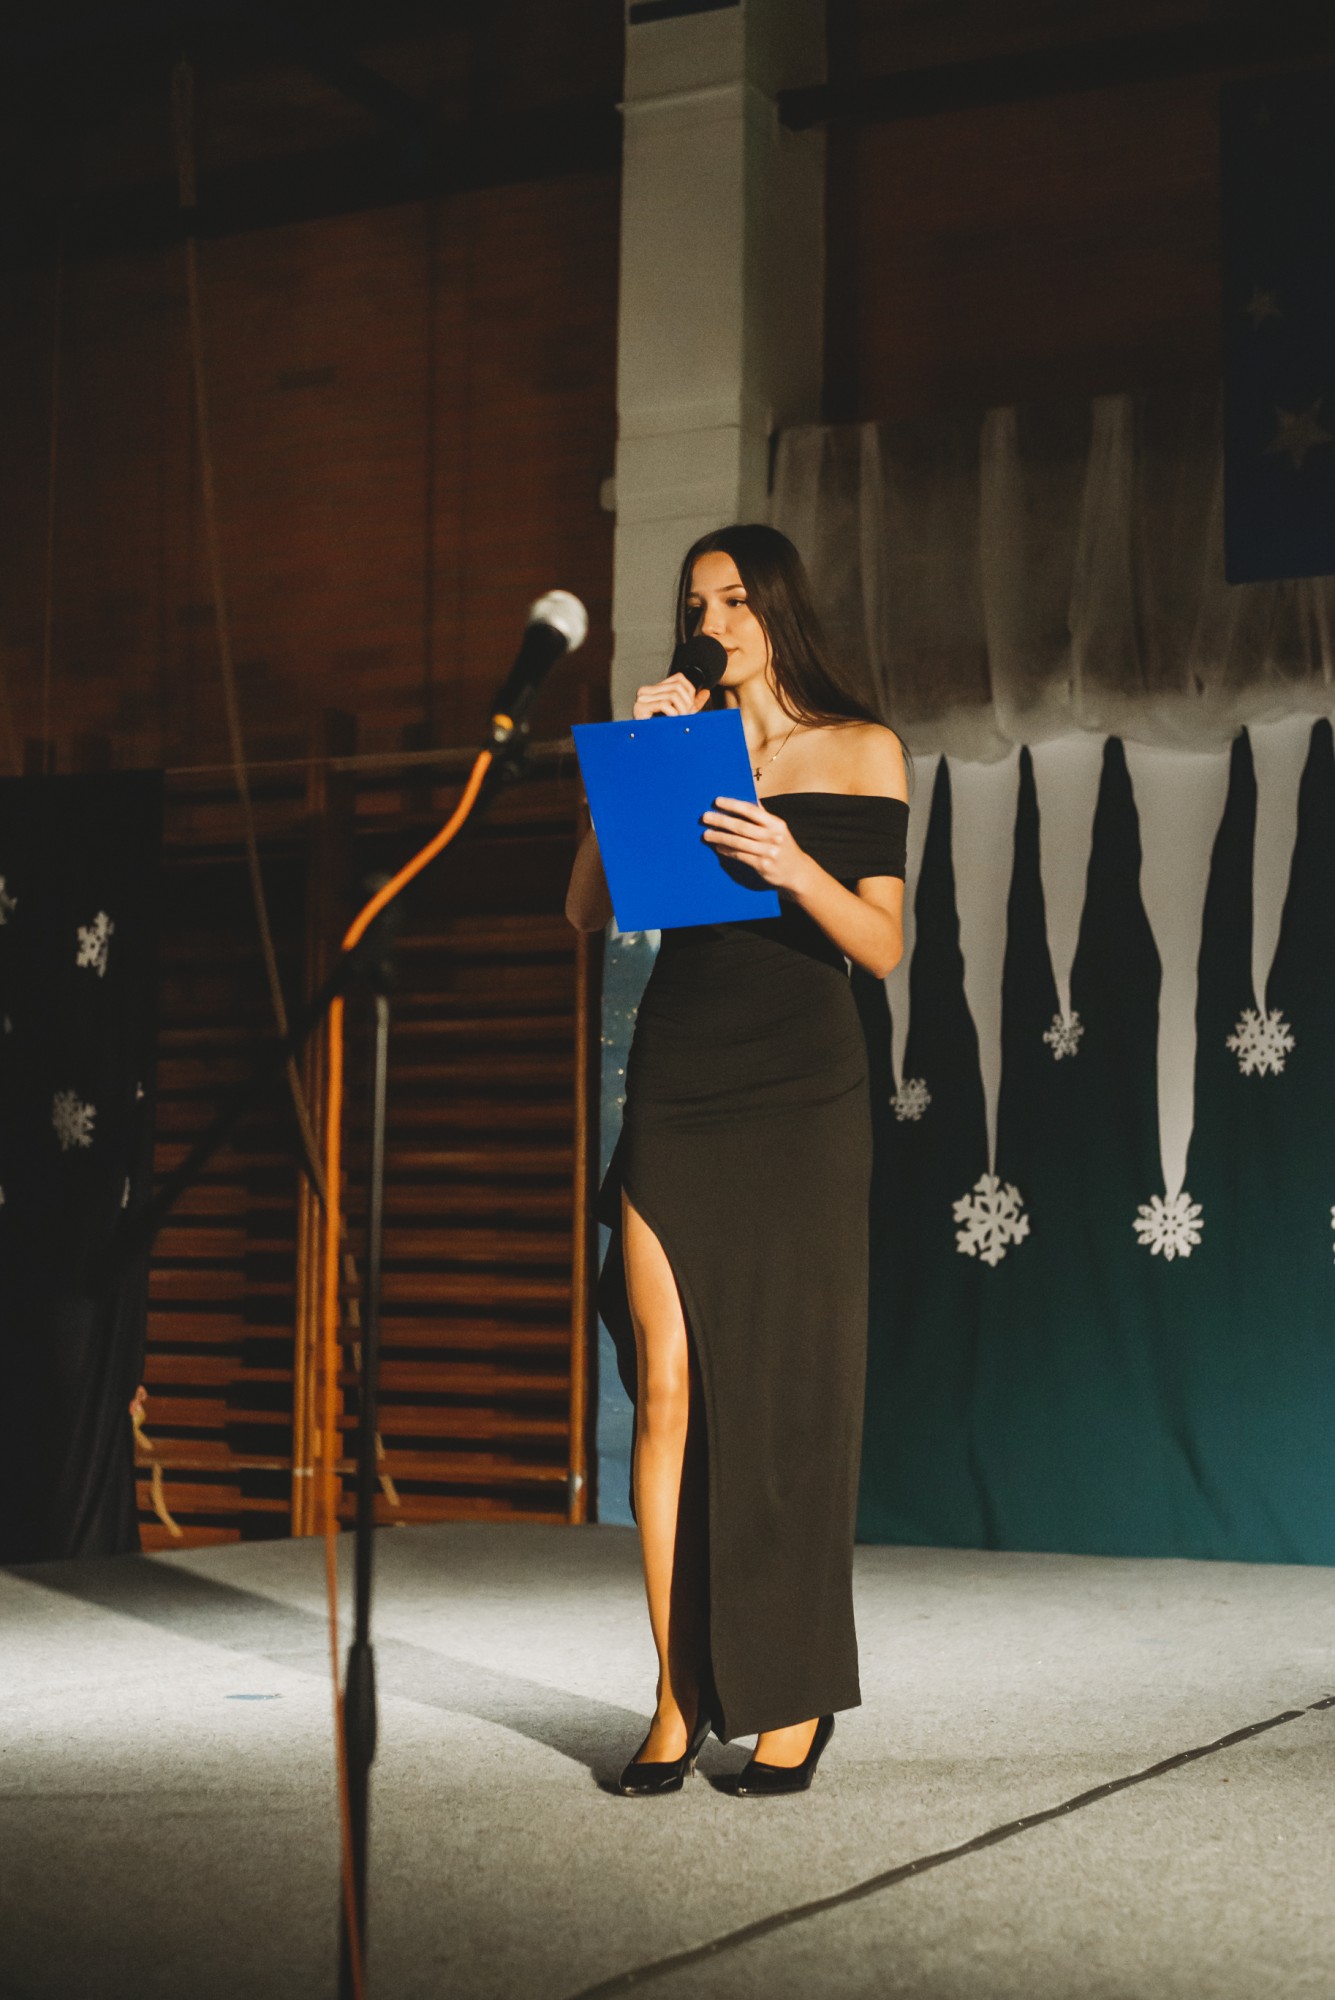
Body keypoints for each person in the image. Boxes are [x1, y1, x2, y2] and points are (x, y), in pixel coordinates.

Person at [565, 523, 908, 1797]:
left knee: (788, 1392)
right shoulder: (682, 738)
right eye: (697, 605)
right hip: (684, 1071)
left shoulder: (861, 746)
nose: (712, 624)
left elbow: (881, 944)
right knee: (666, 1384)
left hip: (803, 1084)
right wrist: (632, 761)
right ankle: (676, 1691)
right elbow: (585, 909)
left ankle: (794, 1694)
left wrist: (792, 861)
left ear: (778, 608)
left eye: (734, 601)